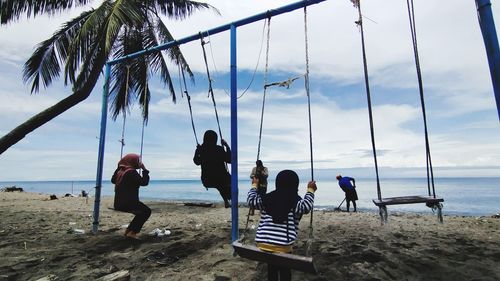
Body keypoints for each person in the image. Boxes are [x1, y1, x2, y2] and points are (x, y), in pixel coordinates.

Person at [247, 170, 317, 281]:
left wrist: (254, 185)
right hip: (283, 246)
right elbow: (306, 207)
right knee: (285, 269)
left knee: (272, 267)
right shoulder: (294, 200)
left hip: (263, 244)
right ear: (296, 184)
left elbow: (251, 201)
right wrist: (310, 190)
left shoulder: (267, 197)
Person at [111, 153, 151, 239]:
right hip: (129, 203)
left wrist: (119, 167)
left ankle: (128, 231)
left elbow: (113, 180)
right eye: (137, 161)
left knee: (141, 212)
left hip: (118, 203)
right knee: (146, 212)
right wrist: (144, 170)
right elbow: (144, 182)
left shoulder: (120, 171)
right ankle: (132, 232)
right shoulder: (131, 172)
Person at [193, 130, 232, 208]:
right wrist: (227, 146)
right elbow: (229, 160)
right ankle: (229, 198)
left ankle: (226, 201)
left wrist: (197, 151)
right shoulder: (219, 149)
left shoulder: (202, 150)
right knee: (227, 184)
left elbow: (196, 162)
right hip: (222, 178)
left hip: (207, 180)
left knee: (220, 186)